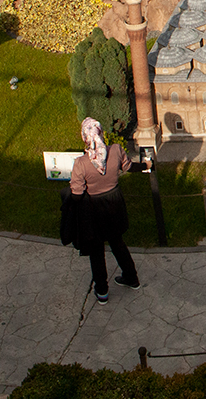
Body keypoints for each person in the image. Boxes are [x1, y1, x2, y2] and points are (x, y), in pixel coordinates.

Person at [64, 118, 143, 304]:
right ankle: (132, 278)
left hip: (94, 210)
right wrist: (147, 165)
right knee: (118, 243)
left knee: (97, 251)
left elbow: (77, 194)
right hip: (115, 205)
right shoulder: (115, 151)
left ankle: (102, 291)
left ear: (85, 138)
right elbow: (129, 167)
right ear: (100, 133)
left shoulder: (81, 163)